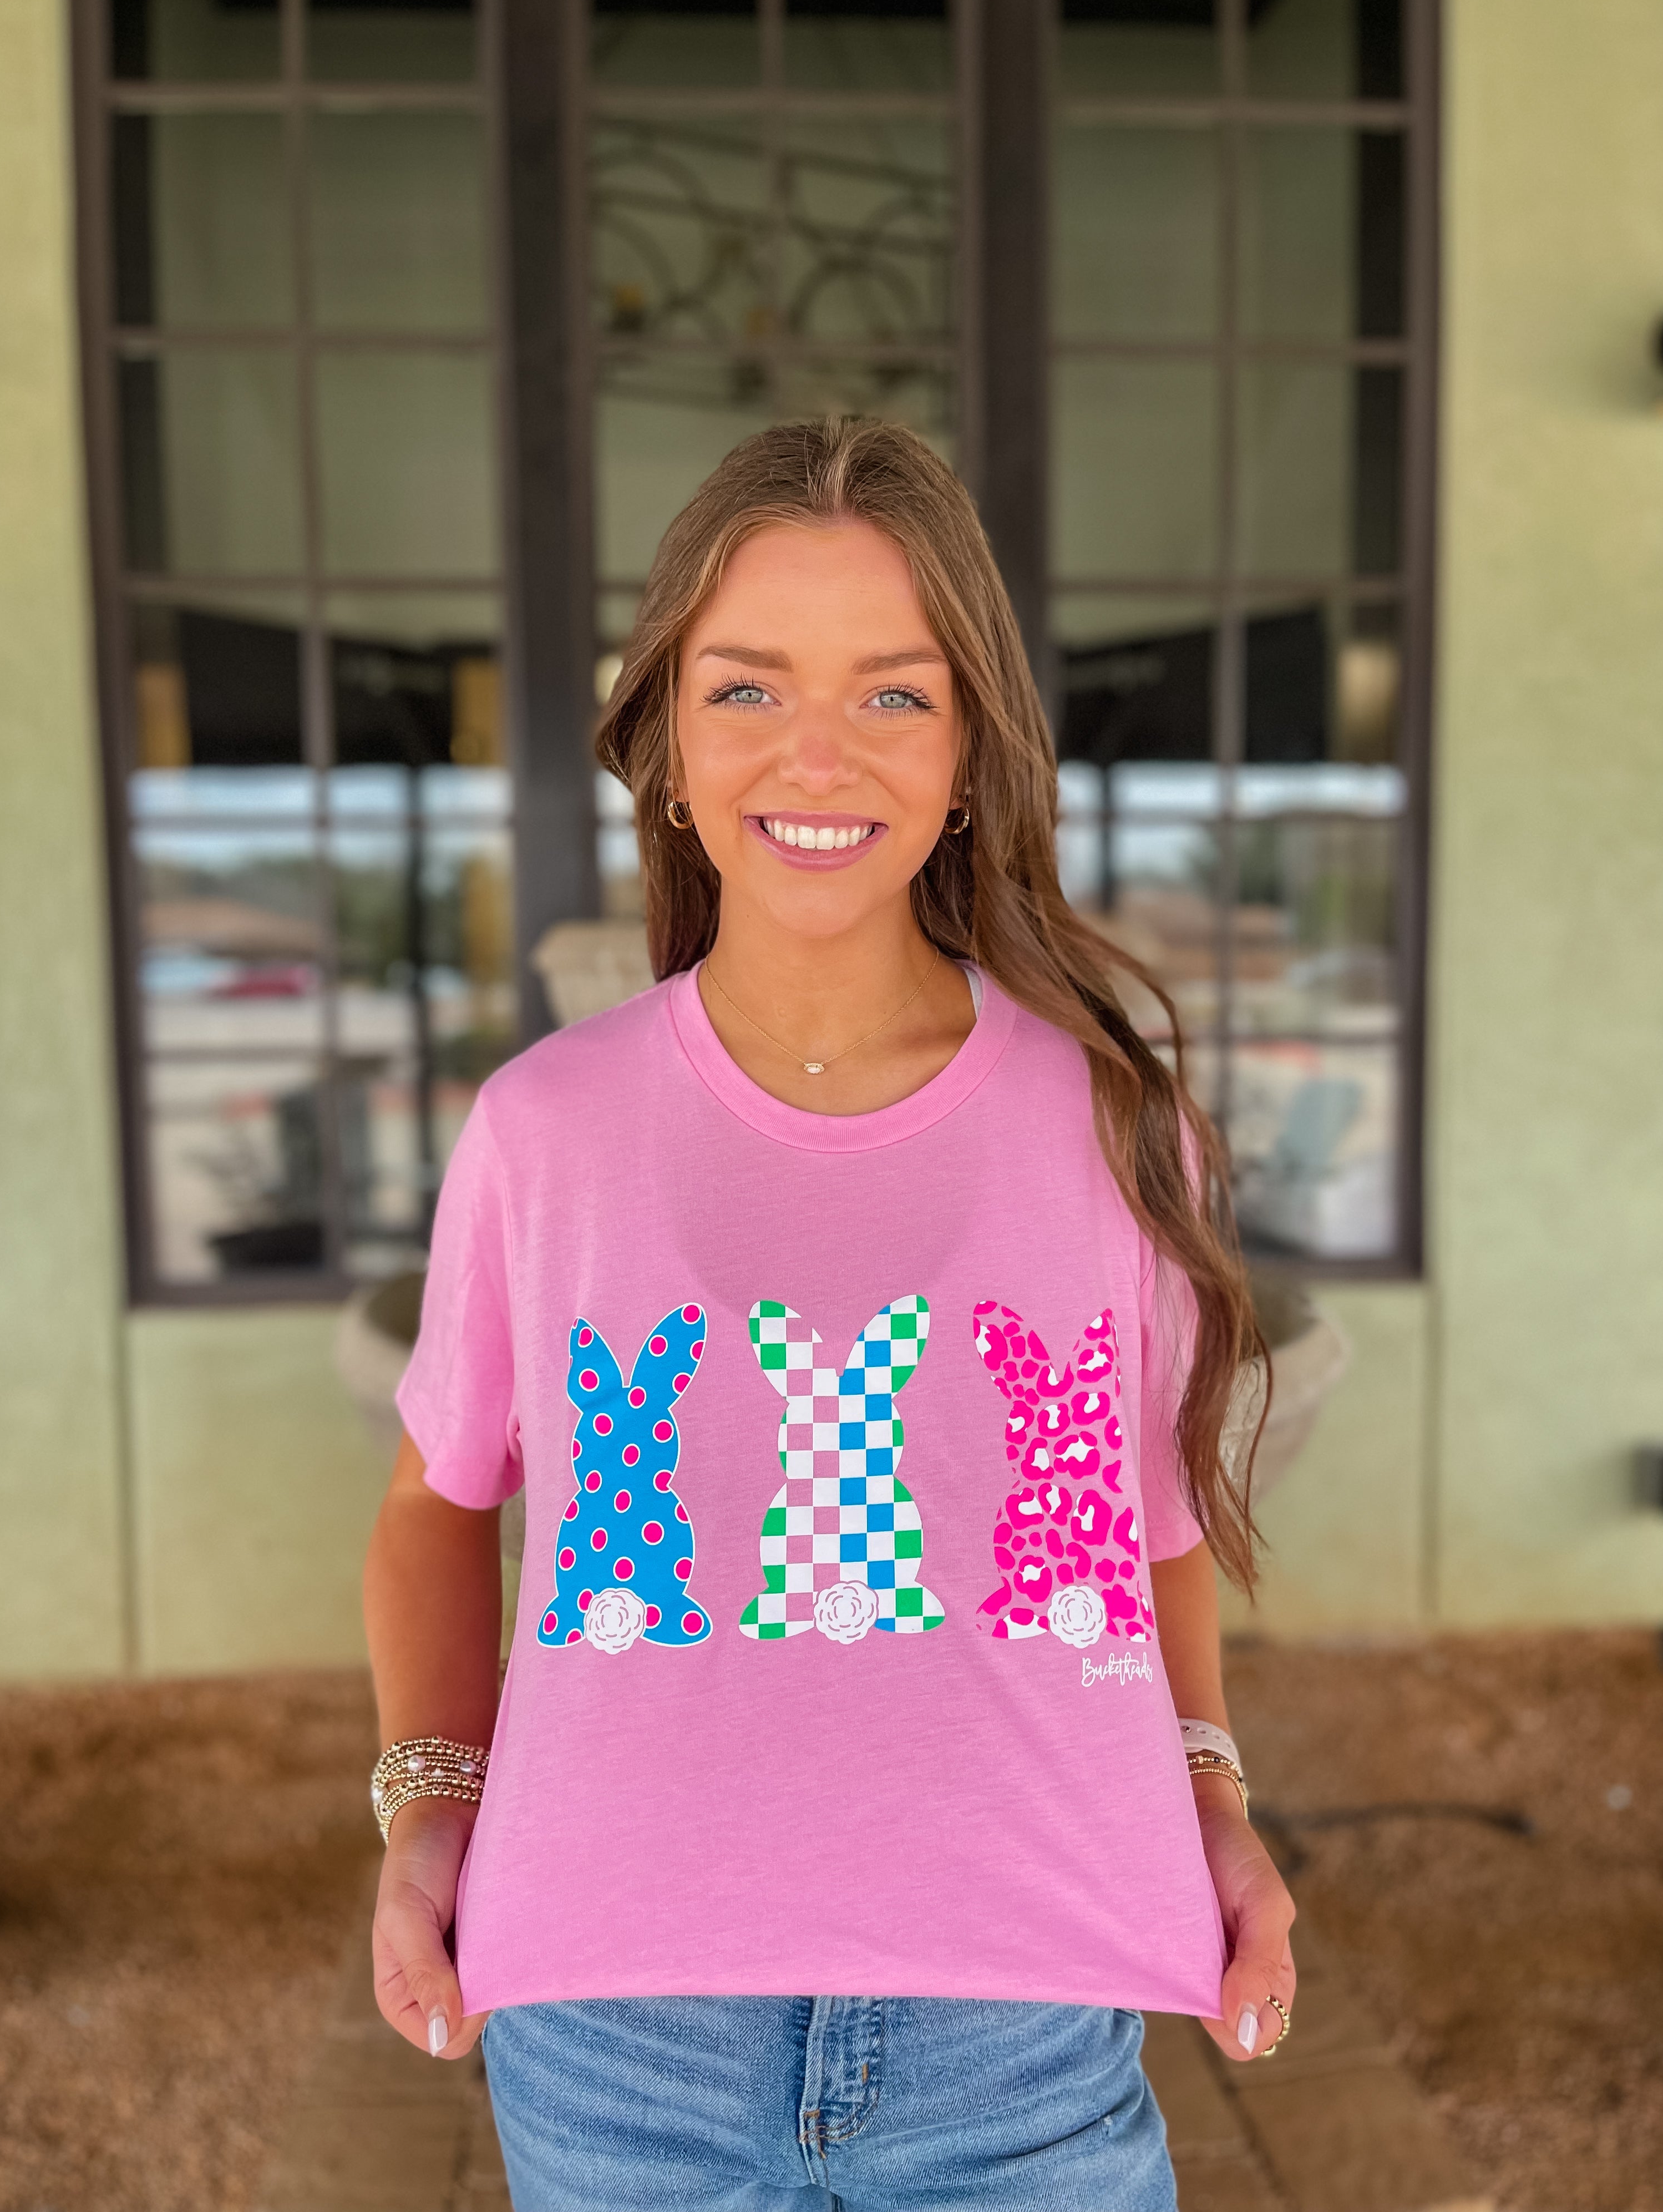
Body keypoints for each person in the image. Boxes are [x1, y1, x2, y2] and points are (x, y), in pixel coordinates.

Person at [363, 417, 1296, 2210]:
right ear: (667, 742)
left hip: (1023, 2035)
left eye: (893, 693)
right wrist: (429, 1803)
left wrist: (1212, 1800)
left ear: (969, 752)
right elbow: (433, 1506)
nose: (817, 753)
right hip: (616, 2039)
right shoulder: (545, 1132)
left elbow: (1147, 1537)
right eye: (746, 688)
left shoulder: (1123, 1130)